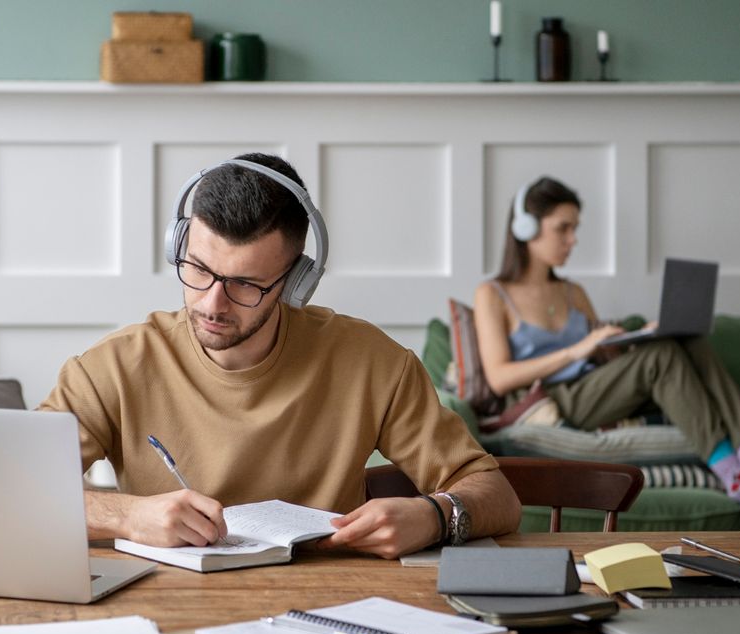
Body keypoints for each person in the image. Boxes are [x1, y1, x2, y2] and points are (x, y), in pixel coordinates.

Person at [39, 153, 521, 559]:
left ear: (295, 284)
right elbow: (10, 490)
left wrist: (436, 517)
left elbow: (495, 494)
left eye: (245, 284)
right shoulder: (114, 366)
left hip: (327, 608)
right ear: (178, 246)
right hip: (167, 603)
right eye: (198, 269)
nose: (211, 302)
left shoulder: (374, 363)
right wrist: (127, 514)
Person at [473, 176, 740, 509]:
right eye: (563, 228)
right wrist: (577, 349)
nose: (573, 240)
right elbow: (500, 378)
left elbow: (605, 360)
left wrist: (638, 339)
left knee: (684, 337)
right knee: (660, 357)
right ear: (526, 228)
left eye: (575, 229)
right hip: (557, 398)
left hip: (598, 387)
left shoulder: (574, 292)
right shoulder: (493, 294)